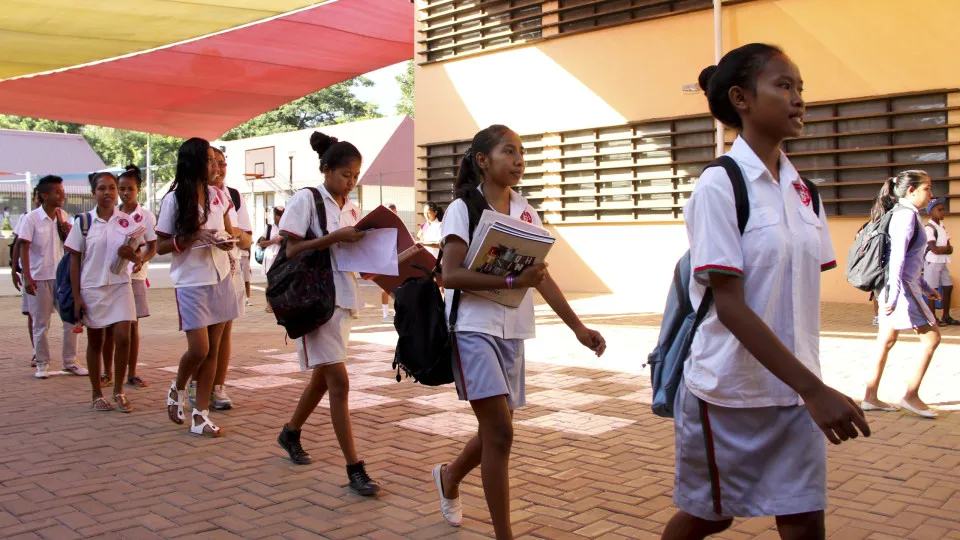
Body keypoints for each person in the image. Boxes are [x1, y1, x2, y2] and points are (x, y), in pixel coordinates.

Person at [661, 44, 870, 540]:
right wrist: (815, 389)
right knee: (711, 516)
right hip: (729, 394)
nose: (798, 99)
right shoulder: (719, 185)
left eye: (801, 88)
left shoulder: (804, 191)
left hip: (794, 393)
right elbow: (731, 308)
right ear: (741, 98)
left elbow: (792, 298)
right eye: (784, 86)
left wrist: (807, 386)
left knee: (803, 521)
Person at [433, 125, 606, 539]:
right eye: (508, 152)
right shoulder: (463, 208)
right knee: (501, 432)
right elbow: (449, 275)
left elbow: (540, 278)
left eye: (521, 153)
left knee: (496, 430)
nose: (518, 160)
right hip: (473, 329)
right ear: (482, 160)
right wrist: (511, 283)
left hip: (514, 331)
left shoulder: (527, 211)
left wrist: (578, 328)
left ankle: (450, 475)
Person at [275, 131, 380, 497]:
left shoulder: (349, 206)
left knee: (323, 377)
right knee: (339, 382)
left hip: (343, 298)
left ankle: (290, 433)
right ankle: (354, 467)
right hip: (314, 300)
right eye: (345, 175)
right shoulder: (307, 199)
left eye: (355, 175)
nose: (350, 181)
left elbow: (355, 257)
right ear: (326, 170)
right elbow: (290, 249)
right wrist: (334, 239)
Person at [156, 137, 239, 437]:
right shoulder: (174, 199)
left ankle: (200, 415)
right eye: (208, 160)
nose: (215, 165)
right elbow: (161, 245)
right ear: (193, 162)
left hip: (220, 275)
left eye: (216, 160)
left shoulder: (217, 195)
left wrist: (226, 241)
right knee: (199, 349)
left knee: (213, 349)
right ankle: (177, 388)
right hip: (191, 280)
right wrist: (193, 238)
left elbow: (229, 233)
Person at [862, 171, 942, 419]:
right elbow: (897, 259)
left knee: (885, 341)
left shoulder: (901, 214)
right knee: (932, 338)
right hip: (901, 288)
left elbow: (909, 261)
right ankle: (911, 395)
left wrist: (928, 289)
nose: (931, 194)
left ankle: (870, 397)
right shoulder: (906, 216)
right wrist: (895, 296)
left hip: (895, 286)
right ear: (911, 191)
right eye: (927, 188)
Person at [66, 172, 141, 412]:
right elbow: (75, 260)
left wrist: (134, 257)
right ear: (93, 193)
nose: (107, 192)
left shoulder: (127, 222)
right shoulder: (84, 222)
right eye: (101, 188)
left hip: (120, 285)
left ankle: (119, 390)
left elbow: (137, 255)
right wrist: (77, 296)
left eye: (111, 188)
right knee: (96, 341)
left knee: (123, 337)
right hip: (92, 288)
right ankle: (96, 393)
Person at [197, 146, 252, 411]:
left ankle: (217, 385)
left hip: (229, 269)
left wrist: (233, 235)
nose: (217, 169)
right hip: (199, 275)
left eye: (222, 163)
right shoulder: (186, 196)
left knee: (224, 331)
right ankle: (196, 384)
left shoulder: (232, 196)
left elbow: (247, 238)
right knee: (202, 338)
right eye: (212, 162)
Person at [18, 175, 87, 379]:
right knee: (41, 323)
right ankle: (42, 362)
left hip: (61, 278)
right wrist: (27, 277)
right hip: (40, 278)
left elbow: (69, 245)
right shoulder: (31, 218)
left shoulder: (62, 215)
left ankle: (70, 361)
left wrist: (67, 232)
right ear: (45, 195)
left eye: (63, 191)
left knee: (71, 319)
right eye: (58, 192)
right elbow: (24, 247)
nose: (62, 195)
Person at [117, 165, 157, 388]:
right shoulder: (113, 214)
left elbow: (153, 246)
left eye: (129, 189)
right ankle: (109, 371)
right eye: (121, 188)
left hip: (135, 276)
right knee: (111, 326)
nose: (125, 193)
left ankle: (132, 372)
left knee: (132, 326)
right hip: (113, 276)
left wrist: (141, 259)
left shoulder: (146, 217)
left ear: (138, 190)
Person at [11, 189, 41, 368]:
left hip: (54, 275)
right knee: (33, 314)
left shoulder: (60, 216)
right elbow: (18, 244)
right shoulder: (28, 217)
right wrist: (15, 268)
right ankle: (37, 351)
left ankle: (69, 357)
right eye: (37, 197)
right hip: (32, 274)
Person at [924, 197, 956, 325]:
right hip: (932, 262)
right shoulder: (929, 228)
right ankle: (932, 318)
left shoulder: (941, 226)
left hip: (942, 262)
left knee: (948, 287)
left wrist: (945, 249)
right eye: (940, 210)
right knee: (932, 290)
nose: (943, 212)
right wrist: (945, 249)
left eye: (943, 210)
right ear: (931, 212)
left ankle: (946, 316)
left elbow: (950, 248)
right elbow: (934, 249)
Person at [258, 206, 284, 313]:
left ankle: (280, 304)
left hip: (282, 256)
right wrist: (273, 241)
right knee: (269, 282)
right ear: (274, 215)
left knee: (282, 280)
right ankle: (269, 305)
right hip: (270, 257)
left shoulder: (286, 226)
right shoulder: (269, 228)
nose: (279, 217)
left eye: (281, 215)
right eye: (278, 215)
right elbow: (261, 243)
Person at [380, 203, 400, 322]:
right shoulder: (382, 226)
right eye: (391, 211)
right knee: (384, 288)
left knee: (398, 287)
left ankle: (397, 313)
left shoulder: (397, 224)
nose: (394, 213)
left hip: (396, 259)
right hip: (384, 260)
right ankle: (385, 314)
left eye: (395, 211)